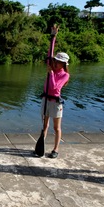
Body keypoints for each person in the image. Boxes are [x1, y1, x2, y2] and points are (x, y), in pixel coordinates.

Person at [40, 25, 70, 158]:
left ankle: (56, 149)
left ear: (64, 64)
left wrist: (51, 73)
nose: (56, 63)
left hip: (56, 103)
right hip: (45, 100)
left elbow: (54, 88)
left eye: (59, 62)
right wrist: (53, 37)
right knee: (44, 125)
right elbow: (49, 54)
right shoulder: (52, 67)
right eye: (56, 61)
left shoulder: (65, 75)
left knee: (56, 127)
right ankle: (41, 145)